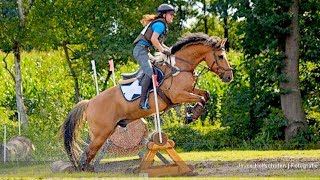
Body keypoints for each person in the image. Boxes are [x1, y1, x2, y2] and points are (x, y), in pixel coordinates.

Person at [133, 3, 175, 110]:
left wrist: (170, 50)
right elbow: (153, 40)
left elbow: (159, 43)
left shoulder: (161, 24)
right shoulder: (160, 25)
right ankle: (142, 102)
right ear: (164, 15)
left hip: (145, 51)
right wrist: (163, 51)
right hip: (140, 50)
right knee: (150, 73)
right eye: (171, 14)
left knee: (157, 67)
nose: (173, 16)